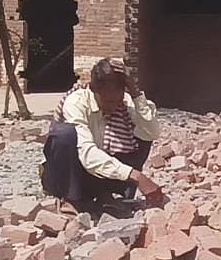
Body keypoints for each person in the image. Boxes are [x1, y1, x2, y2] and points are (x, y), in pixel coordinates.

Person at [42, 58, 163, 214]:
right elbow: (86, 152)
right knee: (65, 134)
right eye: (108, 101)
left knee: (143, 133)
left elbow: (151, 132)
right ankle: (70, 199)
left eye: (117, 100)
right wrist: (135, 175)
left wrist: (135, 93)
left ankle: (108, 195)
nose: (113, 106)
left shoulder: (125, 102)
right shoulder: (77, 101)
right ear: (93, 90)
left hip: (99, 176)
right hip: (69, 176)